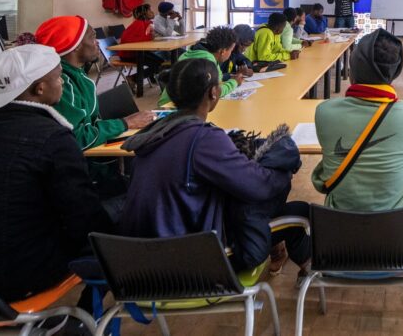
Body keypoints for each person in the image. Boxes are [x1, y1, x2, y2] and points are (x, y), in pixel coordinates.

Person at [0, 45, 111, 301]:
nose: (61, 84)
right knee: (119, 222)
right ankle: (82, 317)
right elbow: (84, 217)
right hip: (11, 280)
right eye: (59, 78)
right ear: (40, 88)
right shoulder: (53, 138)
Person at [120, 58, 310, 274]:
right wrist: (286, 167)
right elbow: (259, 186)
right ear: (213, 93)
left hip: (143, 261)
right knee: (298, 211)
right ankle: (310, 272)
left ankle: (294, 261)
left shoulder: (155, 133)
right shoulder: (203, 139)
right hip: (192, 266)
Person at [311, 29, 403, 242]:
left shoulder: (325, 112)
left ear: (353, 69)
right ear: (394, 73)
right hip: (399, 245)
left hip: (339, 247)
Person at [34, 16, 154, 150]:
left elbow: (90, 123)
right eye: (92, 37)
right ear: (75, 45)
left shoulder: (76, 73)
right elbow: (75, 139)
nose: (97, 42)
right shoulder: (60, 84)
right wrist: (125, 123)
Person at [158, 26, 244, 106]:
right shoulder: (206, 63)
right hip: (173, 107)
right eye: (231, 50)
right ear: (223, 51)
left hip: (172, 103)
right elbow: (213, 92)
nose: (231, 53)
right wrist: (234, 82)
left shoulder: (197, 52)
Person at [118, 3, 166, 94]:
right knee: (158, 65)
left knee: (160, 62)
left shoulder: (146, 23)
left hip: (139, 52)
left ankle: (141, 78)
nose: (152, 12)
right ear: (144, 13)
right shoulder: (138, 24)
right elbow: (133, 41)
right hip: (129, 54)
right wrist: (151, 38)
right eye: (149, 10)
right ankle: (132, 78)